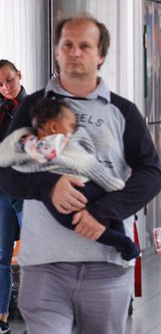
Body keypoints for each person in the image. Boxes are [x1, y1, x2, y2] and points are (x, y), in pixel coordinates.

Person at [0, 16, 161, 334]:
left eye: (85, 46)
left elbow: (151, 173)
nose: (75, 52)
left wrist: (103, 213)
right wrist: (49, 186)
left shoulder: (122, 110)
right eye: (67, 45)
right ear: (57, 53)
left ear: (100, 55)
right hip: (44, 265)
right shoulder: (33, 106)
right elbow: (4, 169)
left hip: (106, 265)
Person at [0, 98, 138, 260]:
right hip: (88, 185)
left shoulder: (45, 141)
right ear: (53, 126)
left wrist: (23, 144)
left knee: (74, 222)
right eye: (71, 126)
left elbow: (37, 156)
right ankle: (122, 239)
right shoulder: (61, 138)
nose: (73, 130)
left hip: (74, 190)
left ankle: (122, 243)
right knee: (110, 214)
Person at [0, 60, 24, 331]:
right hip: (3, 192)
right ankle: (2, 319)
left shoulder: (32, 107)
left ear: (19, 75)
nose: (6, 88)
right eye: (1, 84)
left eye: (10, 80)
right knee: (2, 256)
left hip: (25, 191)